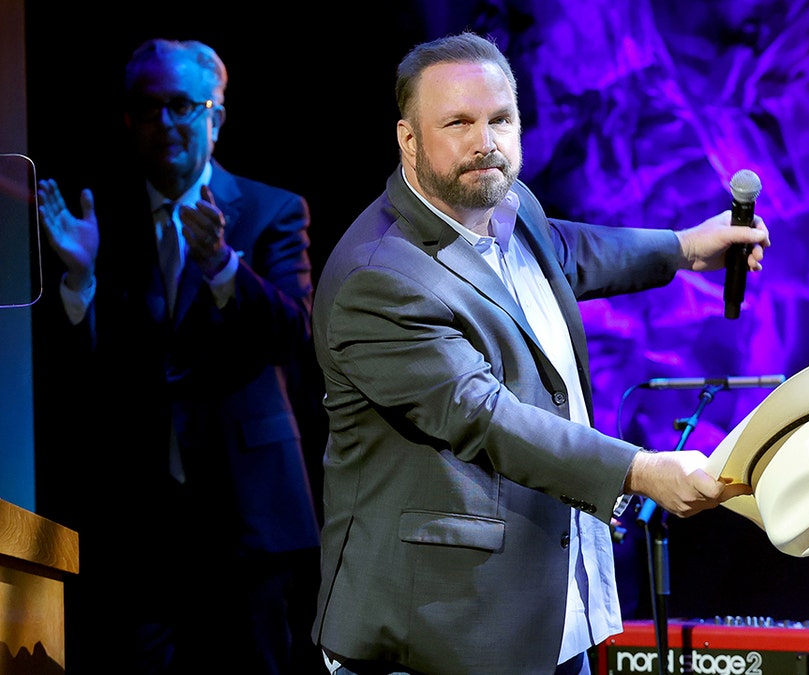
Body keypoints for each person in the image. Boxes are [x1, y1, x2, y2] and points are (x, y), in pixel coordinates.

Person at [310, 31, 769, 675]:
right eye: (459, 123)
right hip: (437, 630)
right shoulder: (379, 278)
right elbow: (483, 415)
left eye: (500, 119)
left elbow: (563, 251)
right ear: (408, 140)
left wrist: (686, 248)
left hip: (544, 613)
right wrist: (639, 470)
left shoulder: (503, 200)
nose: (485, 142)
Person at [34, 38, 323, 674]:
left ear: (215, 118)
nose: (164, 123)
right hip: (142, 525)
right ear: (128, 118)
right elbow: (76, 376)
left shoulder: (270, 210)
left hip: (250, 517)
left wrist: (223, 267)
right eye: (148, 106)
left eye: (181, 106)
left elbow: (293, 334)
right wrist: (80, 282)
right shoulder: (96, 218)